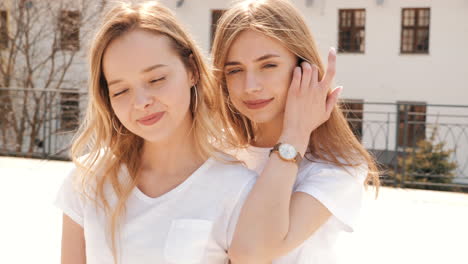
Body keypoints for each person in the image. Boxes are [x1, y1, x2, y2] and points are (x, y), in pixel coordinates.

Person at [55, 2, 256, 263]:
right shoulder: (88, 180)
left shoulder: (238, 188)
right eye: (121, 91)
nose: (141, 102)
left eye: (156, 80)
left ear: (192, 71)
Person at [211, 0, 380, 263]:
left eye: (268, 65)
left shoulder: (336, 167)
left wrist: (294, 137)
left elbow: (252, 252)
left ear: (304, 68)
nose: (250, 85)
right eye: (235, 70)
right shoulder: (217, 153)